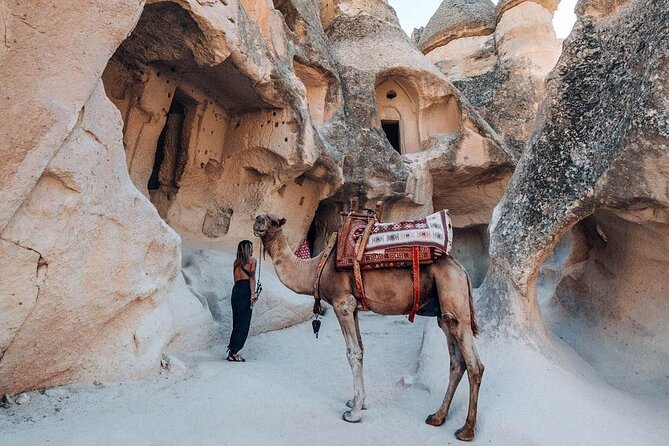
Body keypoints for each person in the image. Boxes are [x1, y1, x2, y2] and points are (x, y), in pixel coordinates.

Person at [227, 240, 257, 362]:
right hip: (245, 290)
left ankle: (232, 351)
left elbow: (235, 280)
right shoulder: (252, 260)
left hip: (236, 290)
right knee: (244, 322)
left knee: (237, 321)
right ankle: (234, 352)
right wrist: (253, 295)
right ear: (248, 249)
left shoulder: (236, 262)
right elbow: (252, 278)